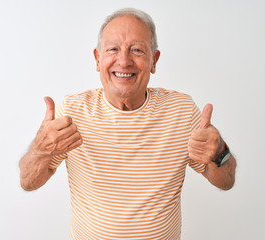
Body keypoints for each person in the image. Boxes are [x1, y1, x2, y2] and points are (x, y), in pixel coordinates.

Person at [19, 8, 236, 240]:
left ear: (154, 60)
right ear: (97, 59)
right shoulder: (73, 111)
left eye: (137, 50)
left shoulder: (181, 111)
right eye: (113, 49)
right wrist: (40, 150)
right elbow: (28, 182)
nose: (124, 61)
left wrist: (220, 152)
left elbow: (226, 181)